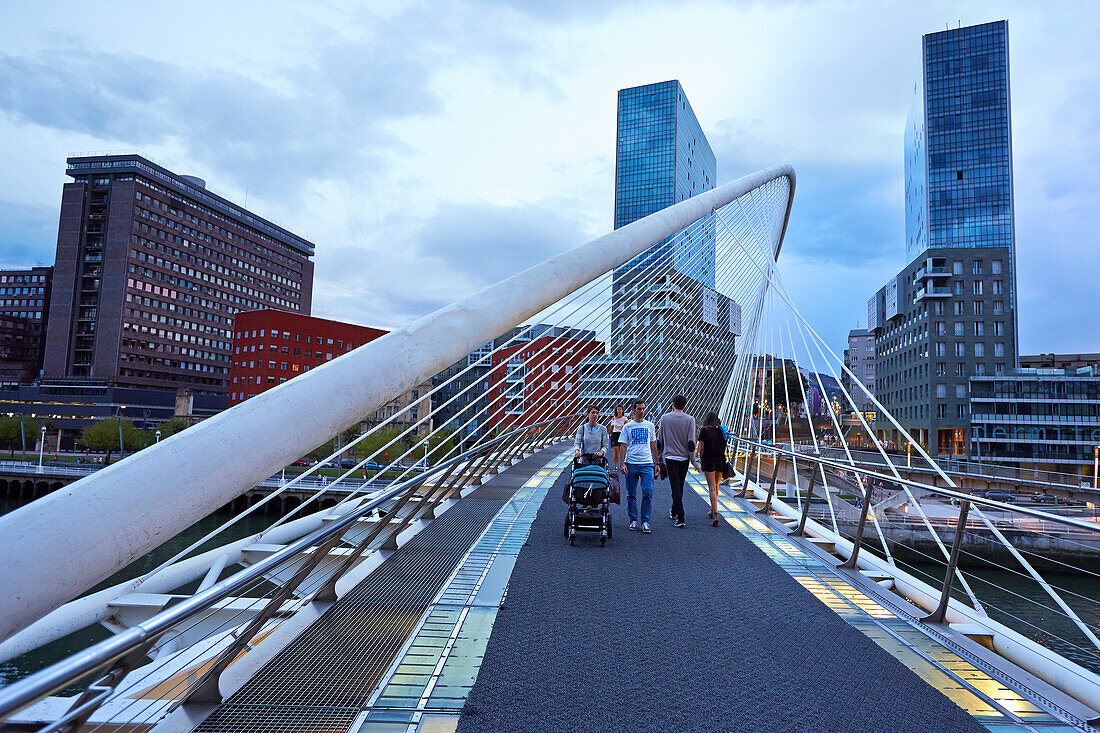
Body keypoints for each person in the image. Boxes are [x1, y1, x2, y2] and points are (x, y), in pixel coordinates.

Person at [658, 394, 698, 528]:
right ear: (684, 405)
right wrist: (693, 460)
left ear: (673, 404)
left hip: (670, 457)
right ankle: (675, 511)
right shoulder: (690, 419)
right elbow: (691, 441)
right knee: (679, 485)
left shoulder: (664, 418)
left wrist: (658, 458)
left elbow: (660, 440)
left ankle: (680, 516)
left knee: (675, 485)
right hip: (684, 458)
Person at [620, 400, 658, 533]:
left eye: (643, 409)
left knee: (648, 490)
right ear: (633, 410)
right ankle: (633, 519)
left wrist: (657, 462)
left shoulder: (650, 426)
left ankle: (645, 521)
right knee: (631, 493)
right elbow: (623, 445)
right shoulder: (627, 427)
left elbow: (653, 444)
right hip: (631, 463)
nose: (641, 411)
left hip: (647, 463)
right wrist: (622, 463)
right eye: (639, 409)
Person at [697, 412, 728, 527]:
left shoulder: (704, 430)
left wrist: (701, 459)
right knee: (716, 486)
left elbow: (702, 448)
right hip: (720, 460)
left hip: (709, 460)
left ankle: (715, 514)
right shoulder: (722, 430)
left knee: (711, 487)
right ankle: (712, 509)